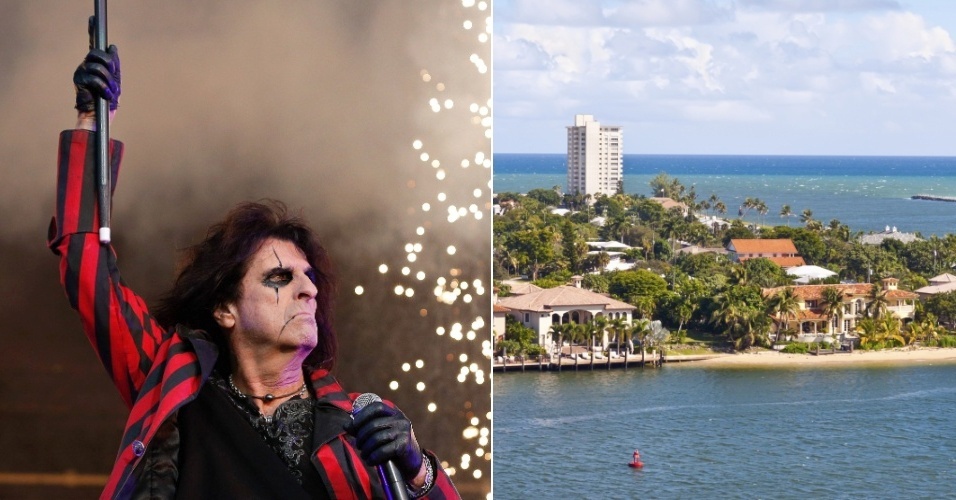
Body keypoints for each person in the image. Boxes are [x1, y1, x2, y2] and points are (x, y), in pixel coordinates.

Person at [50, 42, 460, 499]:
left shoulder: (357, 427)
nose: (307, 290)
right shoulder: (172, 385)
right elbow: (88, 268)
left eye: (309, 278)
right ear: (225, 308)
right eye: (279, 278)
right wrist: (92, 118)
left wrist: (418, 470)